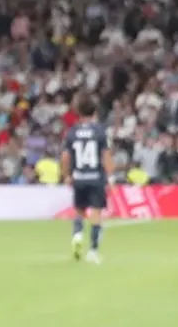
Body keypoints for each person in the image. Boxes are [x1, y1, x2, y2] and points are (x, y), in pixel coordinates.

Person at [63, 95, 114, 264]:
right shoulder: (99, 131)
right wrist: (111, 176)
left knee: (79, 211)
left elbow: (65, 157)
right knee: (96, 213)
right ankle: (92, 250)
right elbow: (105, 155)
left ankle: (77, 236)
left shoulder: (72, 131)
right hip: (96, 177)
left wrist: (67, 175)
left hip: (79, 177)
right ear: (94, 111)